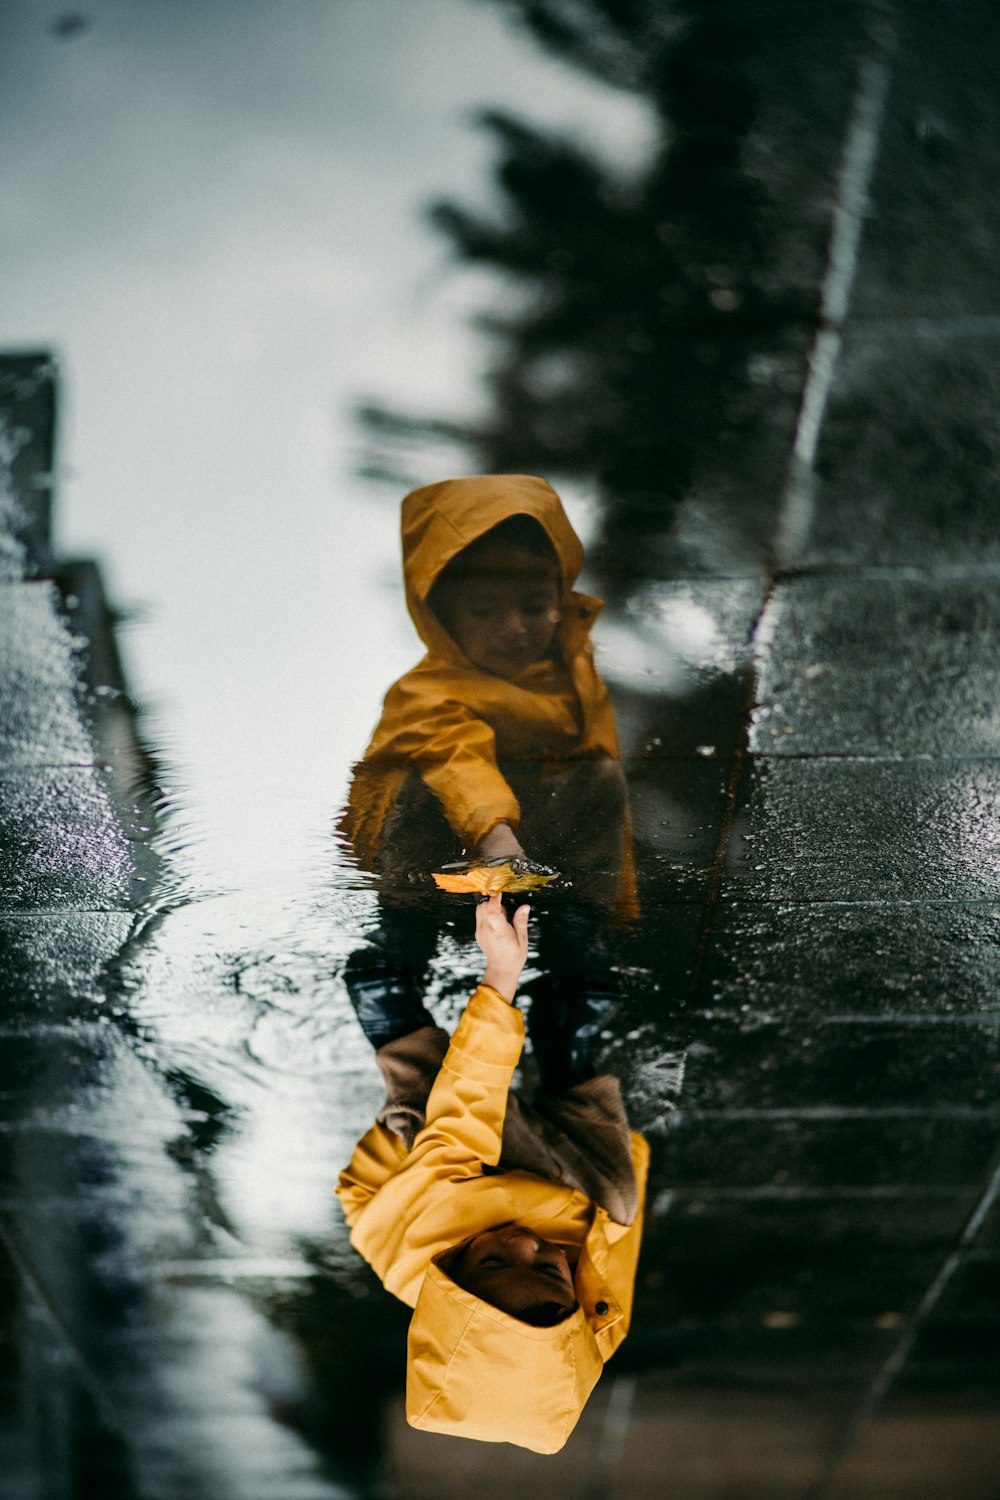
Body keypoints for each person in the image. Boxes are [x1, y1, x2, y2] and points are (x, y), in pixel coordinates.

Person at [336, 894, 648, 1453]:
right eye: (550, 1271)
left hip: (417, 1177)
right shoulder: (602, 1319)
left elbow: (462, 1119)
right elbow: (617, 1235)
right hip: (541, 1188)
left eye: (498, 1261)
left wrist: (501, 976)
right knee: (618, 1198)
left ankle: (399, 1031)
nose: (527, 1244)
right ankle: (567, 1054)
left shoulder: (428, 1241)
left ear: (457, 1272)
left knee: (441, 1110)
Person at [338, 472, 637, 1017]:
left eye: (535, 606)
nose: (515, 628)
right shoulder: (427, 692)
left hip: (528, 838)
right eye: (483, 611)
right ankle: (395, 962)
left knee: (600, 775)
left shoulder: (568, 671)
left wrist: (601, 899)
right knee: (422, 779)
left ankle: (576, 950)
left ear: (559, 595)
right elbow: (457, 759)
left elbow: (598, 754)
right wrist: (496, 837)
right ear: (443, 614)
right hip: (441, 849)